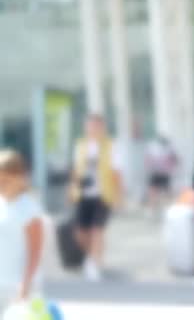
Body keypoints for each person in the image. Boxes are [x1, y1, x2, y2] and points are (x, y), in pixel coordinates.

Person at [69, 114, 122, 281]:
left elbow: (117, 173)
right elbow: (76, 170)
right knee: (80, 233)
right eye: (90, 126)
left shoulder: (111, 146)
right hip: (83, 195)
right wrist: (71, 188)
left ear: (102, 128)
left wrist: (119, 195)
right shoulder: (80, 146)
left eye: (96, 126)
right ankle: (92, 257)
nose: (93, 129)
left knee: (97, 230)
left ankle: (95, 263)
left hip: (103, 194)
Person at [0, 149, 44, 312]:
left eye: (5, 180)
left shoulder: (29, 209)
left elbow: (35, 253)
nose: (1, 185)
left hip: (19, 288)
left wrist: (25, 286)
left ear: (20, 178)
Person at [144, 136, 178, 214]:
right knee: (154, 191)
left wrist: (171, 167)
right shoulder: (154, 148)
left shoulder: (169, 148)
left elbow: (175, 159)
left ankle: (168, 208)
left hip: (164, 173)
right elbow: (148, 159)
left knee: (166, 192)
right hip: (156, 173)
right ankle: (153, 209)